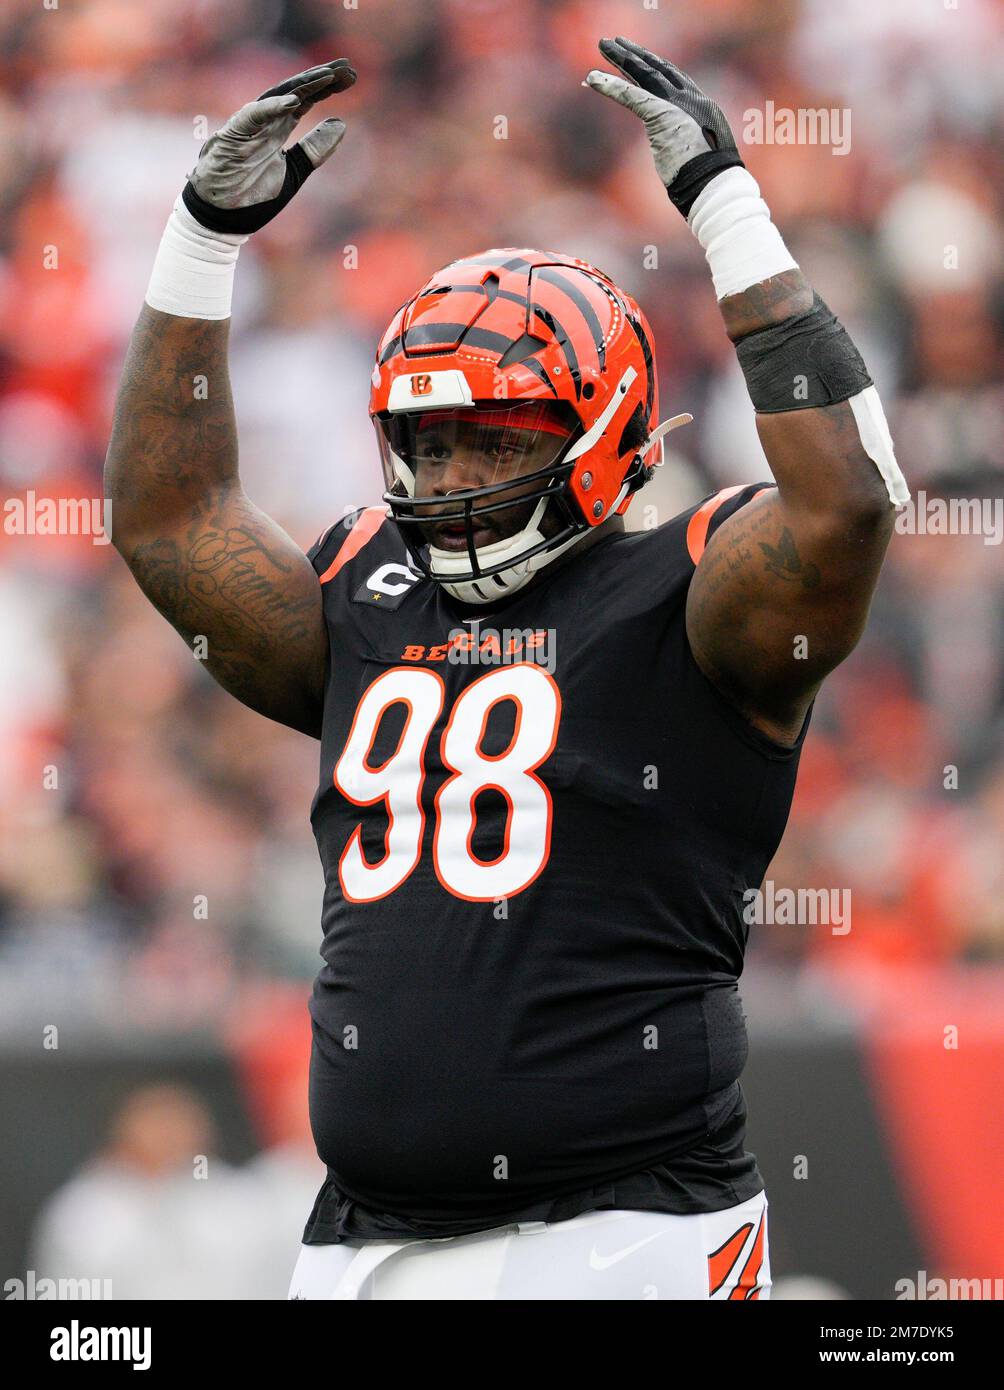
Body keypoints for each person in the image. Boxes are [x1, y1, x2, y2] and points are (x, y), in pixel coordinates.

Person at [104, 38, 908, 1300]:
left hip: (619, 1235)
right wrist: (201, 239)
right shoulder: (365, 589)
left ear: (608, 432)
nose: (452, 477)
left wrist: (727, 208)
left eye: (493, 438)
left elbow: (847, 507)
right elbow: (168, 522)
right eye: (426, 441)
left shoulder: (692, 598)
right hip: (360, 1239)